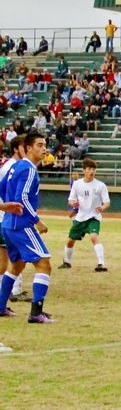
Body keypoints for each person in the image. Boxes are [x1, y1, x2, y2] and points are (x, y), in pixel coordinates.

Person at [0, 133, 54, 323]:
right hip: (21, 225)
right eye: (39, 145)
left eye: (45, 144)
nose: (44, 149)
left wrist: (5, 206)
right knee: (44, 264)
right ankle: (36, 313)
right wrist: (37, 221)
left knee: (16, 265)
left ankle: (0, 306)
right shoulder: (29, 169)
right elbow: (22, 198)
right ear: (28, 148)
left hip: (8, 223)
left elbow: (1, 187)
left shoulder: (16, 166)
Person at [59, 158, 110, 272]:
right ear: (83, 170)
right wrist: (73, 203)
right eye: (89, 169)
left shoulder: (100, 185)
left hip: (94, 217)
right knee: (70, 240)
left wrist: (102, 207)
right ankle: (67, 262)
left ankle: (101, 264)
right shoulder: (77, 184)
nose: (91, 172)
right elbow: (70, 199)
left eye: (93, 169)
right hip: (80, 217)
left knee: (94, 237)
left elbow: (107, 202)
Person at [0, 136, 29, 309]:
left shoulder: (13, 166)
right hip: (7, 218)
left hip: (6, 217)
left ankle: (9, 290)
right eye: (25, 146)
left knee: (7, 255)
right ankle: (14, 290)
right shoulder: (12, 167)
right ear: (17, 148)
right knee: (15, 254)